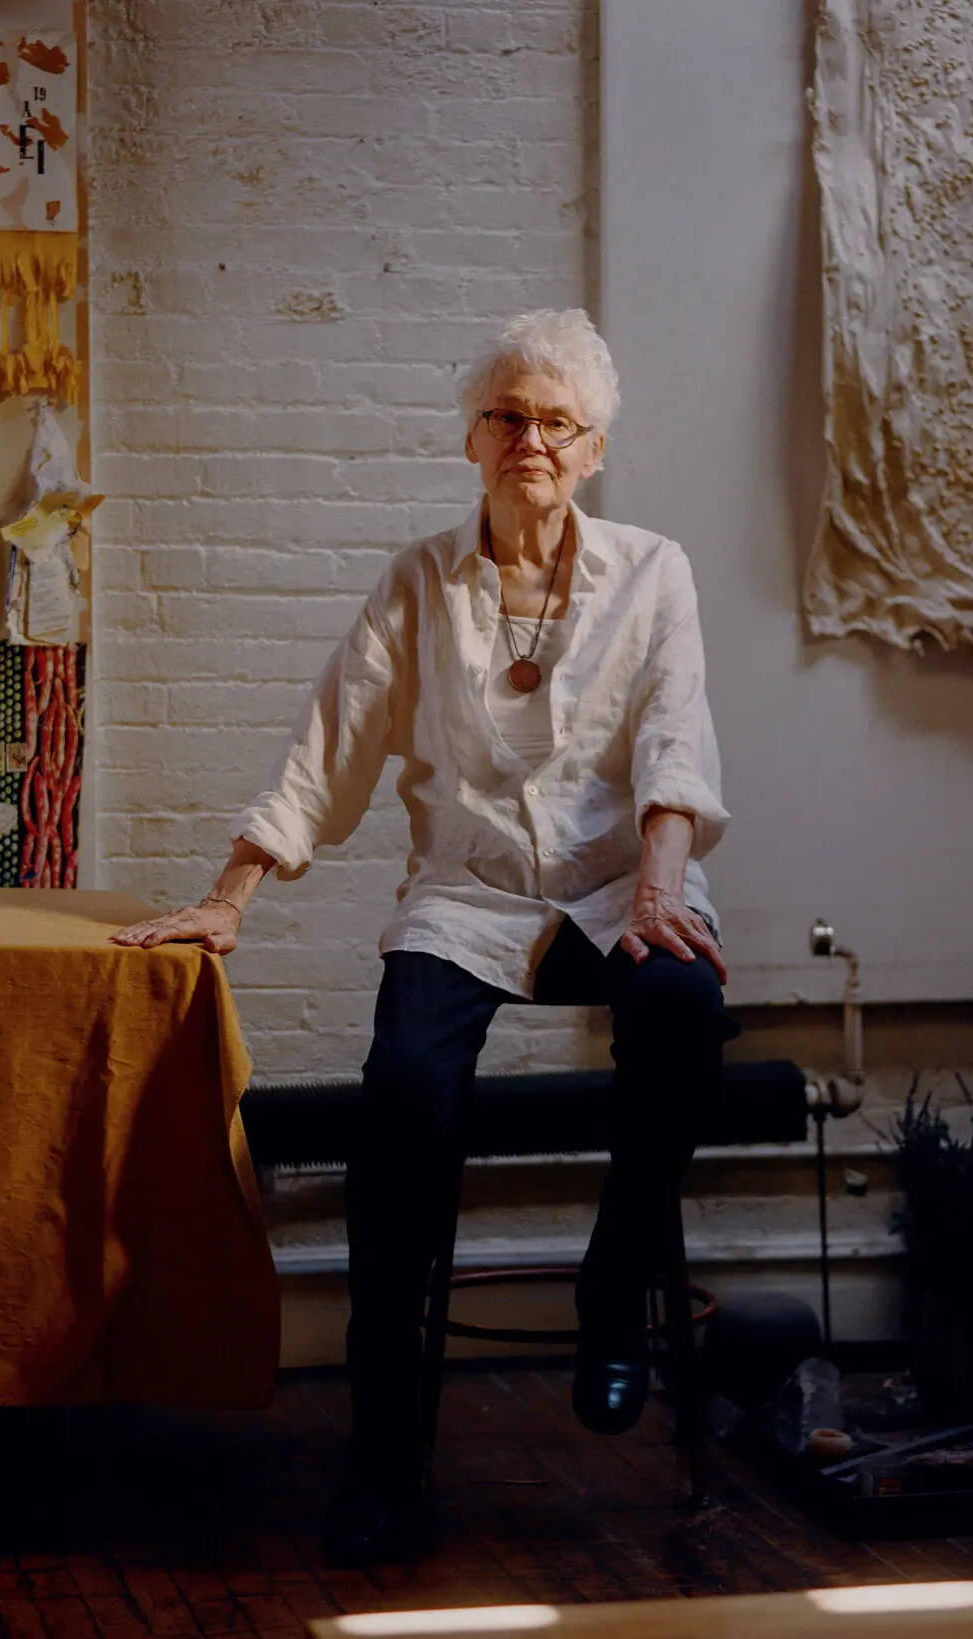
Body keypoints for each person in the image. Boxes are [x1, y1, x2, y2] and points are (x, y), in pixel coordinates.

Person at [112, 308, 734, 1567]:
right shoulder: (418, 579)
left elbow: (676, 735)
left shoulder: (653, 569)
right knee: (402, 1096)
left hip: (623, 885)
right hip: (467, 894)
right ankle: (384, 1462)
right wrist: (230, 892)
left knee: (681, 1009)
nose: (529, 440)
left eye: (555, 421)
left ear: (594, 445)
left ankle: (613, 1287)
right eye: (506, 415)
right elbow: (328, 741)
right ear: (469, 437)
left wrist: (665, 882)